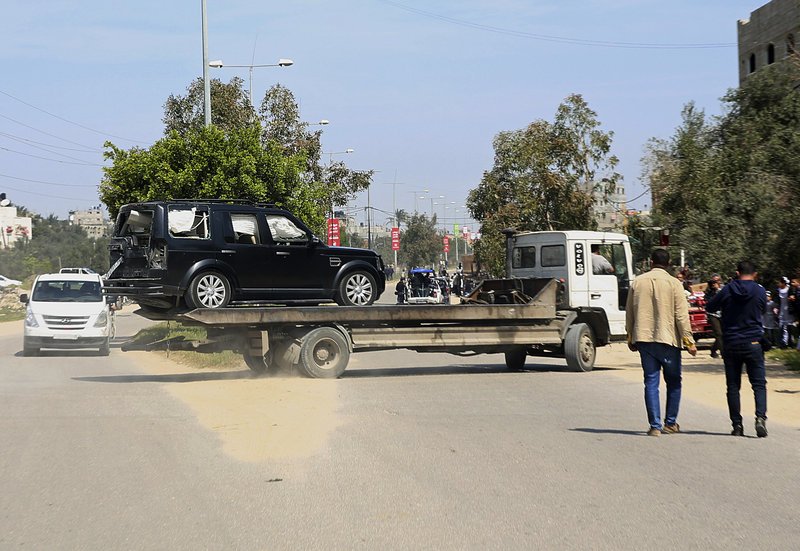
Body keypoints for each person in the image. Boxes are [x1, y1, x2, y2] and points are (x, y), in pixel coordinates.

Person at [626, 249, 697, 436]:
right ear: (668, 263)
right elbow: (682, 316)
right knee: (674, 382)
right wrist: (689, 341)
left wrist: (630, 337)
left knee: (651, 382)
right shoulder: (674, 284)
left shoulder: (638, 282)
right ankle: (670, 423)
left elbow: (629, 313)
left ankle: (655, 426)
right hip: (669, 340)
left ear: (651, 262)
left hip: (644, 339)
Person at [706, 260, 768, 437]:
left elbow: (710, 306)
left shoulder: (727, 289)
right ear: (754, 274)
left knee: (733, 386)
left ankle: (737, 425)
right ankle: (760, 418)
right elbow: (762, 310)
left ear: (737, 272)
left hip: (731, 342)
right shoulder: (759, 290)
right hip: (754, 342)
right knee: (759, 384)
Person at [705, 278, 723, 359]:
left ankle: (713, 349)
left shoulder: (723, 289)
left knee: (723, 334)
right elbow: (710, 302)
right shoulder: (709, 293)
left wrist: (718, 289)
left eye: (716, 282)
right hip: (713, 315)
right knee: (719, 334)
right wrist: (713, 291)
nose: (714, 284)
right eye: (712, 282)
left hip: (722, 314)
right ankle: (723, 352)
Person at [776, 277, 794, 348]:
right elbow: (777, 300)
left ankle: (790, 342)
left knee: (789, 327)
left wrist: (792, 299)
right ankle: (782, 343)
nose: (779, 284)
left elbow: (793, 298)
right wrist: (776, 308)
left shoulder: (790, 289)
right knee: (781, 327)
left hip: (788, 310)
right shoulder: (778, 290)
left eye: (780, 282)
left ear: (783, 283)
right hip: (781, 310)